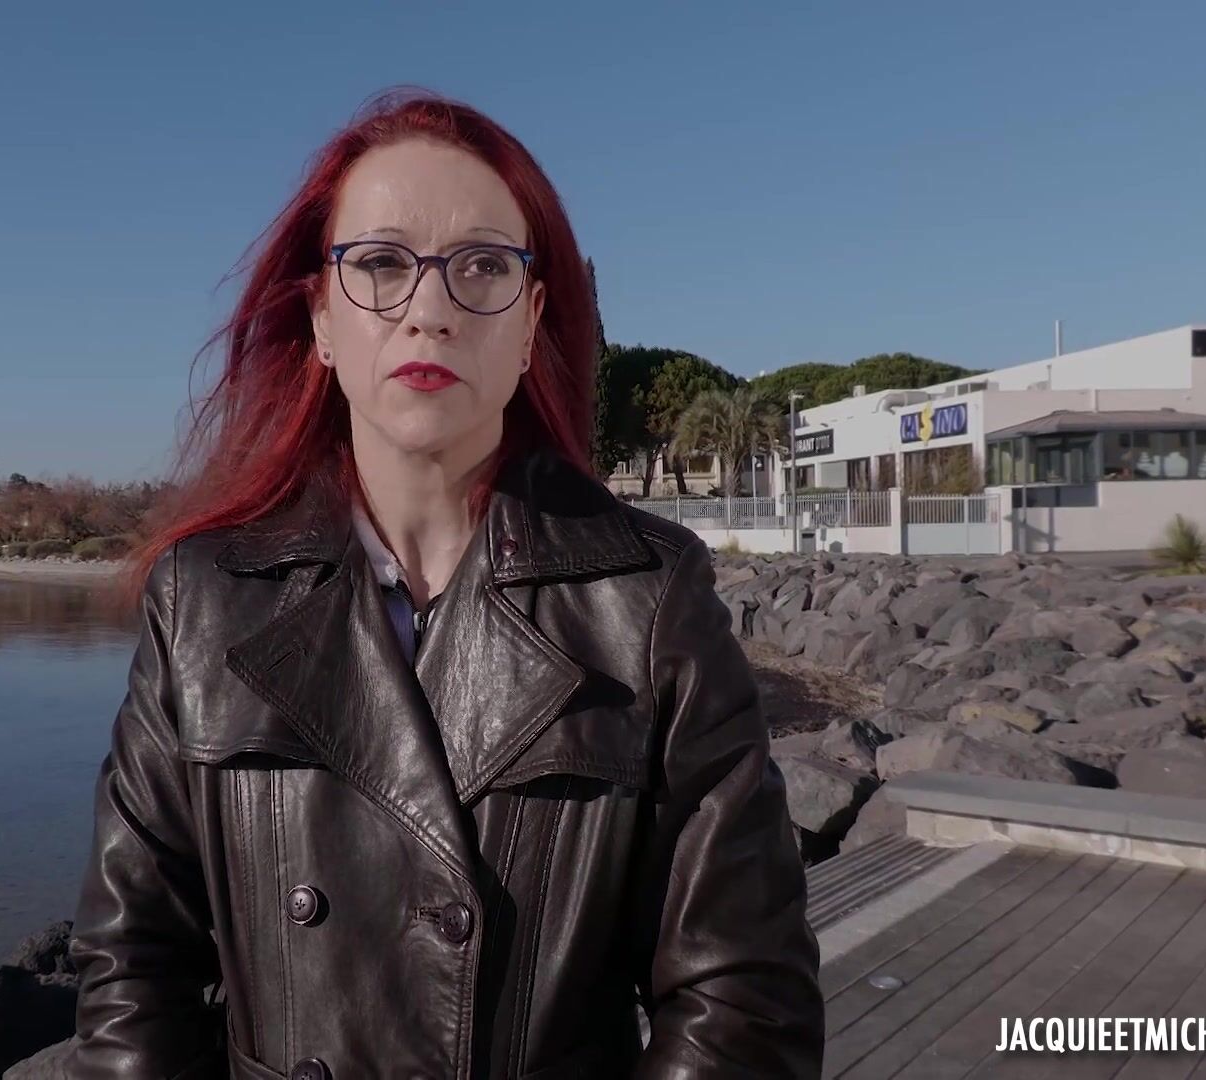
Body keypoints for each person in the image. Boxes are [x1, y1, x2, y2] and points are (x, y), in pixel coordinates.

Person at [66, 90, 823, 1079]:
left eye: (482, 267)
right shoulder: (203, 599)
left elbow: (743, 1002)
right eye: (381, 264)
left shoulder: (650, 599)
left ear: (532, 321)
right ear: (322, 316)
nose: (429, 309)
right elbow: (133, 970)